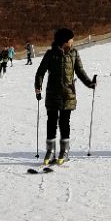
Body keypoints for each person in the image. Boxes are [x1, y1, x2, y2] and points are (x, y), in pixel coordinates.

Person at [35, 28, 96, 165]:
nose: (72, 41)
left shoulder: (74, 53)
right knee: (51, 122)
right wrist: (38, 87)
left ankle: (64, 151)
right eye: (71, 39)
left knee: (64, 122)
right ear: (64, 41)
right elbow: (41, 71)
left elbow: (79, 71)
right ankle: (50, 152)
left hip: (68, 94)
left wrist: (89, 83)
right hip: (52, 93)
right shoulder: (51, 54)